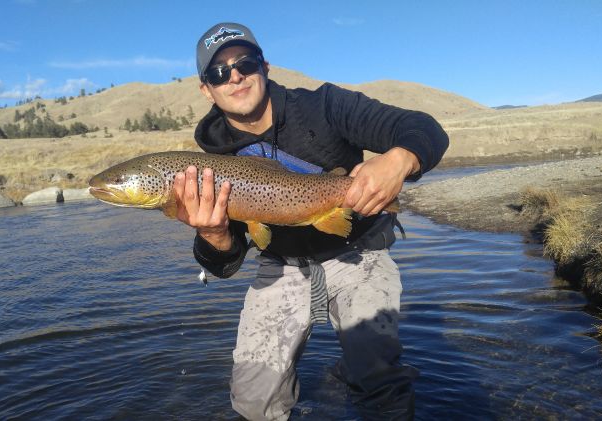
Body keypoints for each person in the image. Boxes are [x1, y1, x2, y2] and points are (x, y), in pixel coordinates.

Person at [172, 22, 449, 420]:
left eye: (245, 63)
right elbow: (226, 262)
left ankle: (361, 378)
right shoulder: (210, 157)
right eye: (219, 72)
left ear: (264, 66)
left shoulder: (324, 106)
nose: (234, 76)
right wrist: (213, 235)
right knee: (253, 401)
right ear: (206, 88)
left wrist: (400, 159)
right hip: (279, 265)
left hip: (359, 252)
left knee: (381, 381)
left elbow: (425, 130)